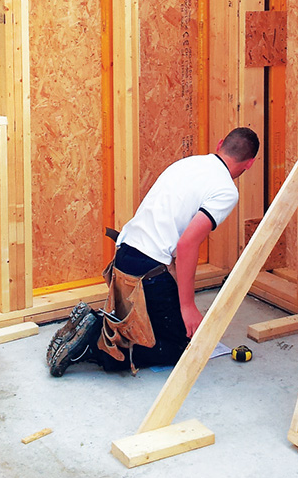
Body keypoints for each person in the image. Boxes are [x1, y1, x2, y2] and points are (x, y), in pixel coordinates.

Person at [46, 127, 260, 376]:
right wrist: (188, 306)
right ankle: (95, 344)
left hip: (124, 259)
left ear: (220, 143)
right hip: (148, 273)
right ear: (250, 164)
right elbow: (187, 244)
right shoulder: (226, 190)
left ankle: (97, 325)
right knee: (179, 348)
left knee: (159, 327)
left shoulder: (188, 164)